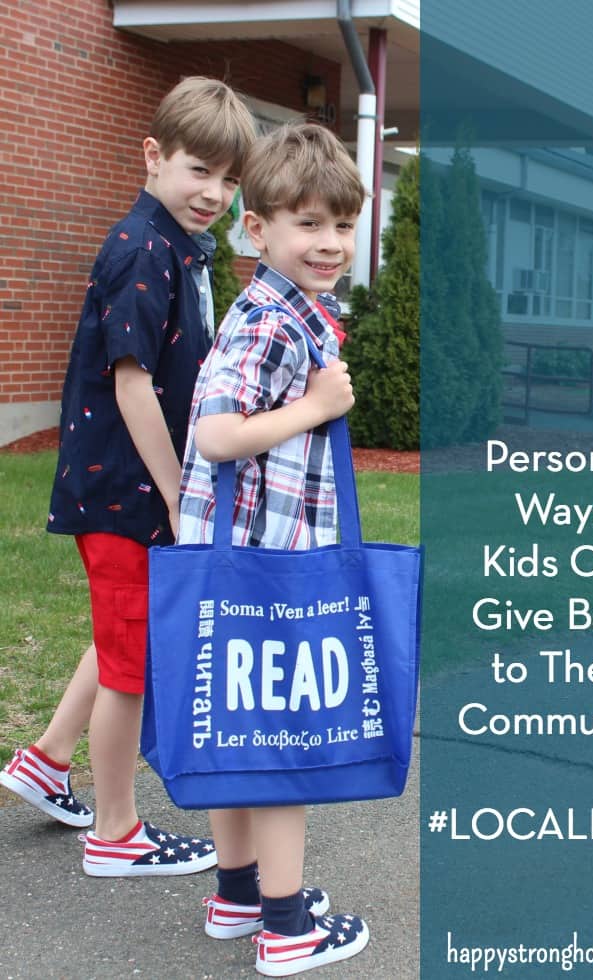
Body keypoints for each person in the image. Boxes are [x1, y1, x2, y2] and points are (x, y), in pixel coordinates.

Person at [0, 76, 257, 877]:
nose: (214, 193)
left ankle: (46, 759)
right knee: (130, 665)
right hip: (126, 488)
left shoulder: (181, 242)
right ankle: (116, 832)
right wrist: (180, 495)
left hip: (136, 488)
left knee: (125, 636)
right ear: (154, 156)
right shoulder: (143, 246)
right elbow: (132, 382)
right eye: (197, 171)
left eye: (228, 178)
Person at [178, 122, 370, 975]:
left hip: (247, 555)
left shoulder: (292, 312)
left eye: (342, 225)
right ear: (257, 230)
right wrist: (319, 404)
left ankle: (239, 891)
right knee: (284, 735)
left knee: (236, 727)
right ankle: (287, 926)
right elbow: (218, 434)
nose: (330, 243)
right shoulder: (270, 323)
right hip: (266, 560)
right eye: (308, 224)